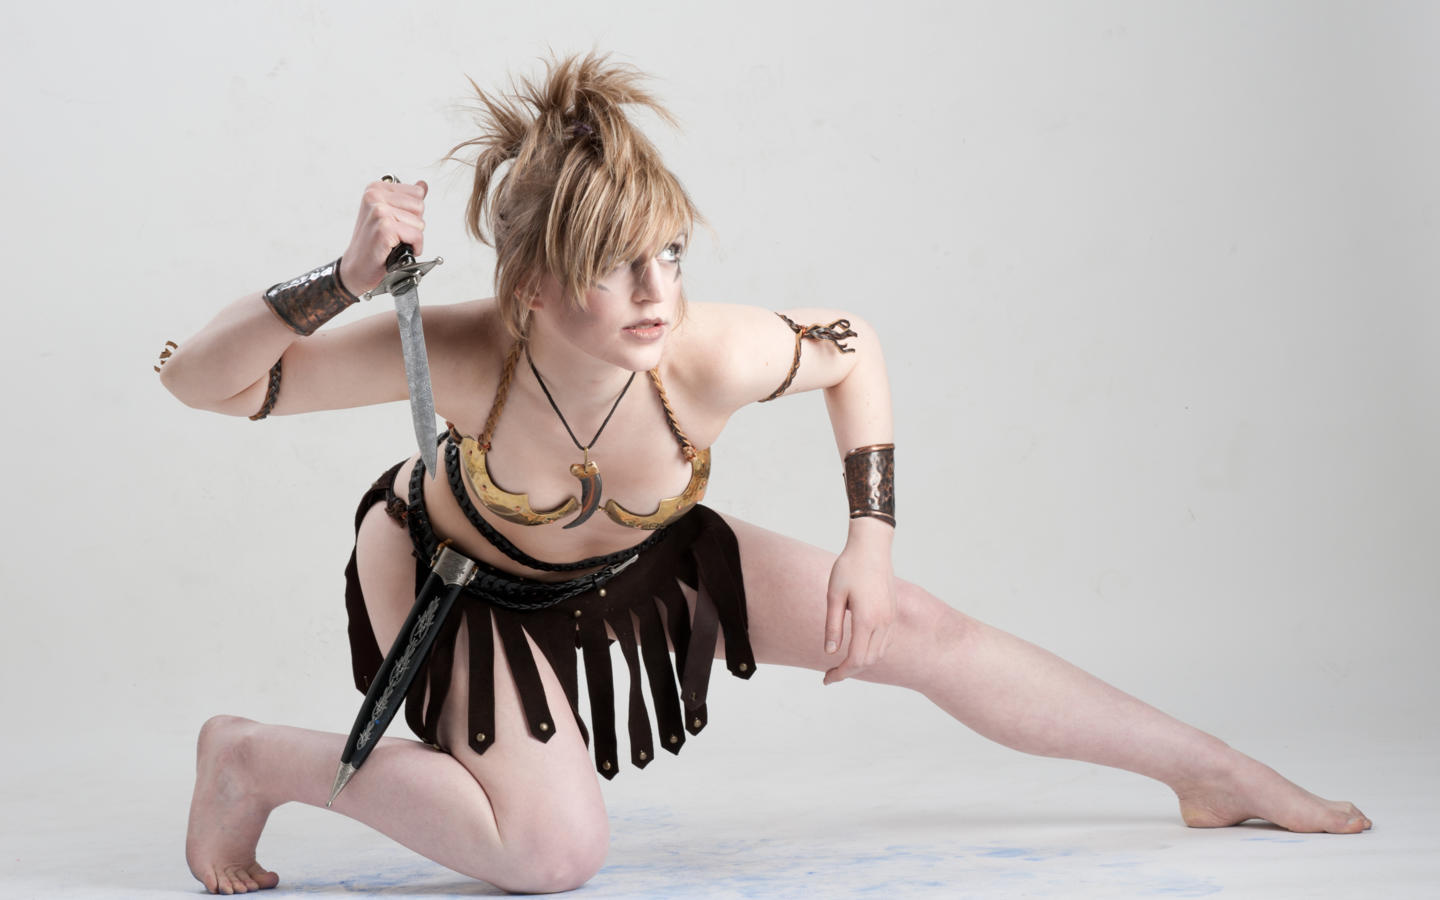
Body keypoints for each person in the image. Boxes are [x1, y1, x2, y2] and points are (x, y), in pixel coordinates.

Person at [159, 54, 1369, 896]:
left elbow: (853, 345)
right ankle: (256, 757)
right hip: (460, 582)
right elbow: (198, 382)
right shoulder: (472, 354)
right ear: (531, 286)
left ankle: (1213, 773)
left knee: (920, 627)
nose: (659, 295)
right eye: (617, 266)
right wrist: (343, 281)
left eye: (670, 255)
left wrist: (870, 545)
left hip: (644, 554)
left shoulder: (708, 351)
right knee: (551, 855)